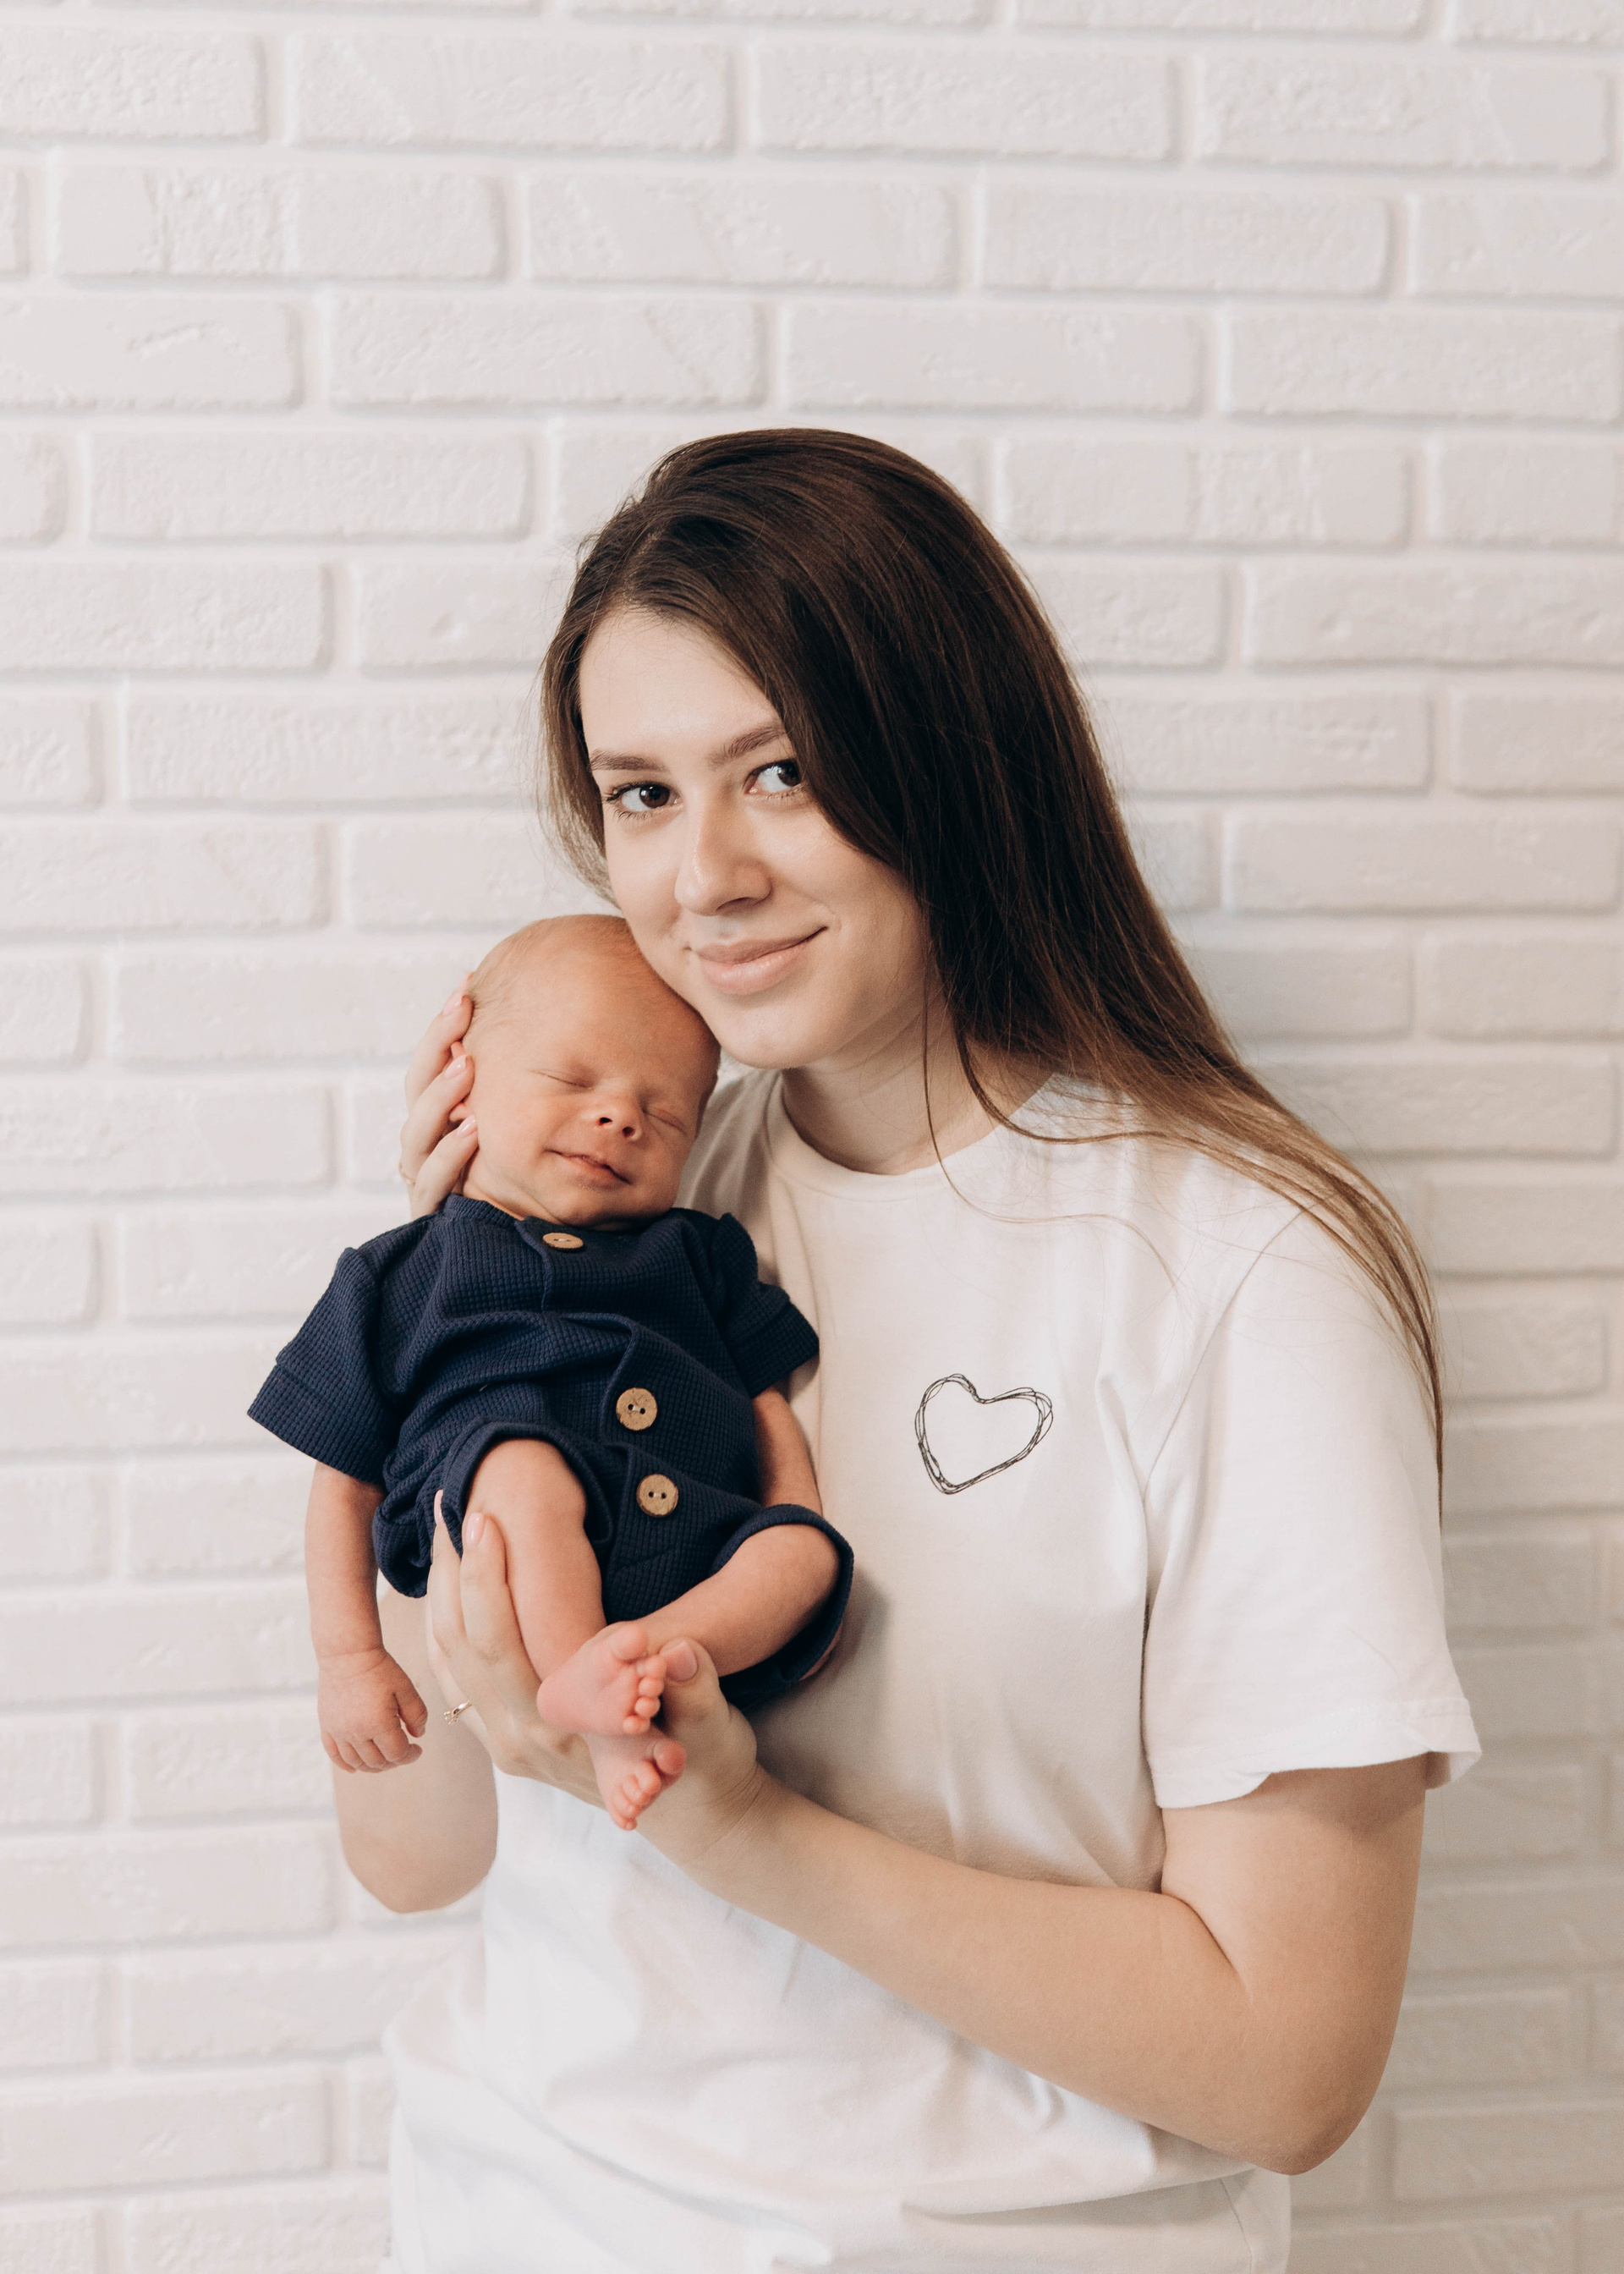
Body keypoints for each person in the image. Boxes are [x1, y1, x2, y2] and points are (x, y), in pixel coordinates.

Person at [332, 430, 1479, 2274]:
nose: (704, 874)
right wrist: (434, 1334)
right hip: (520, 2218)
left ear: (952, 755)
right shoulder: (630, 1212)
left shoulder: (1243, 1273)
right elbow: (418, 1855)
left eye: (781, 771)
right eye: (641, 794)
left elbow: (1288, 2060)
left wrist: (736, 1826)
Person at [249, 915, 850, 1827]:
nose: (621, 1118)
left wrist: (791, 1516)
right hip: (507, 1536)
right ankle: (602, 1719)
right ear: (458, 1081)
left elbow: (767, 1404)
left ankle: (652, 1656)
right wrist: (348, 1658)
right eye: (571, 1080)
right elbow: (343, 1484)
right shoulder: (401, 1273)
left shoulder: (700, 1255)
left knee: (807, 1553)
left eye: (665, 1114)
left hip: (696, 1549)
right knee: (521, 1470)